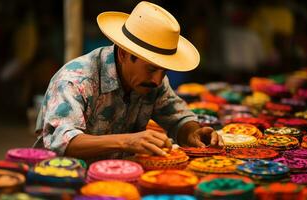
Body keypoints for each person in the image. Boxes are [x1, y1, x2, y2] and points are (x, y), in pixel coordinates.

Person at [34, 1, 223, 161]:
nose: (158, 80)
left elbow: (178, 118)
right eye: (152, 69)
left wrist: (192, 133)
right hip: (63, 181)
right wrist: (127, 141)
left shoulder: (151, 81)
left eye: (164, 71)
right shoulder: (75, 80)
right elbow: (62, 141)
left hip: (118, 178)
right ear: (124, 54)